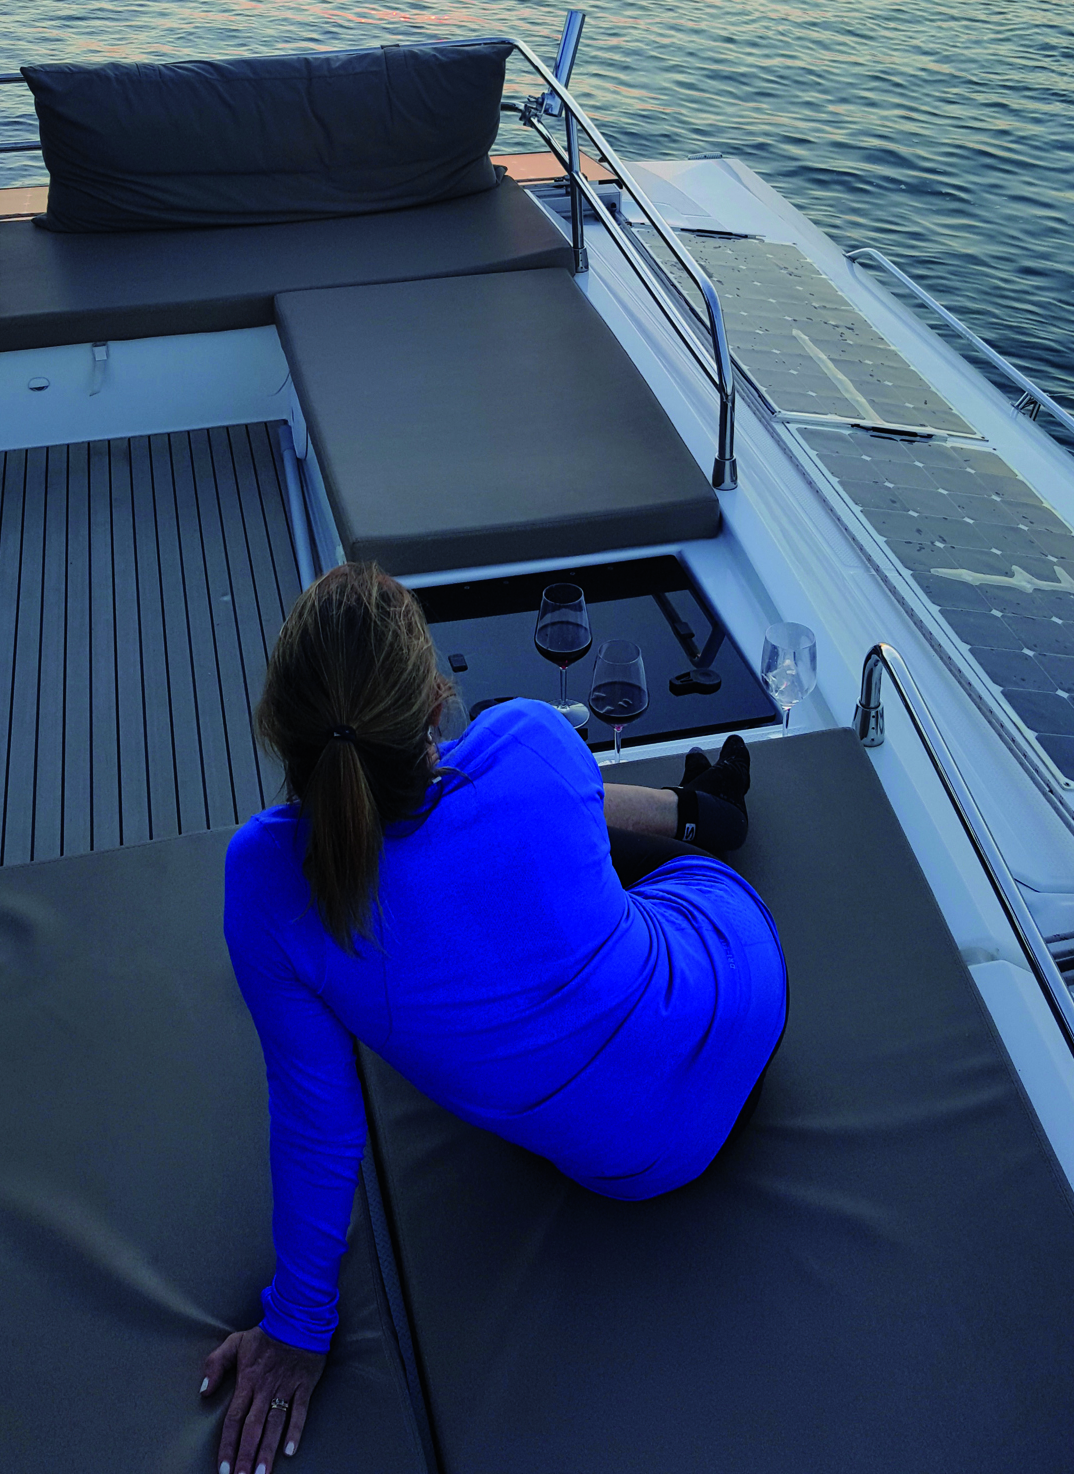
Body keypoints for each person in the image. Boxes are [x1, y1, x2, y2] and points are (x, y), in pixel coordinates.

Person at [202, 564, 787, 1474]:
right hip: (735, 995)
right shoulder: (528, 737)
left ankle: (693, 813)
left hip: (625, 1166)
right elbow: (546, 801)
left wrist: (299, 1326)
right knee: (615, 854)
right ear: (438, 703)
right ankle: (695, 816)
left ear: (276, 723)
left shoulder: (264, 879)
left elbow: (317, 1124)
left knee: (542, 858)